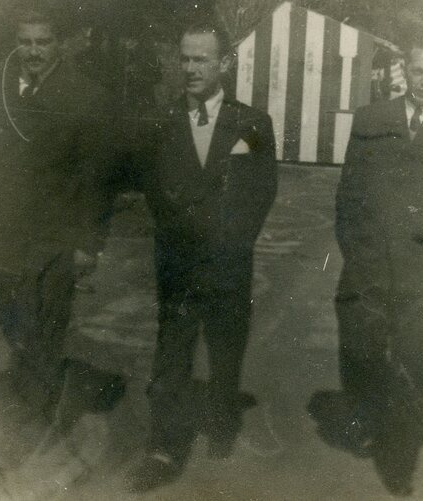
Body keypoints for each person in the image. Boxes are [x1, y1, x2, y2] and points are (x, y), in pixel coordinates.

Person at [0, 9, 112, 473]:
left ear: (59, 44)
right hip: (2, 230)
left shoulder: (85, 96)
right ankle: (33, 398)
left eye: (43, 42)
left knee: (44, 329)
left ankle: (26, 428)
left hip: (55, 235)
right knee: (12, 322)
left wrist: (88, 241)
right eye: (26, 41)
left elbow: (97, 177)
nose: (34, 51)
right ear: (16, 42)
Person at [126, 21, 277, 492]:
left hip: (229, 261)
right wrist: (177, 233)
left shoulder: (252, 124)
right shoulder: (161, 121)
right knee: (172, 352)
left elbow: (261, 190)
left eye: (201, 59)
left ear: (224, 64)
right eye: (185, 59)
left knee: (226, 346)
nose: (190, 68)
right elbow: (153, 186)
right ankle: (163, 447)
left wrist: (234, 242)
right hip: (179, 260)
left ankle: (223, 418)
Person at [333, 40, 423, 495]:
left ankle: (400, 458)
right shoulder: (371, 118)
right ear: (405, 70)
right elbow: (348, 192)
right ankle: (365, 417)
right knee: (361, 346)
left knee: (413, 359)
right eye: (418, 71)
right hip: (371, 261)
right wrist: (353, 250)